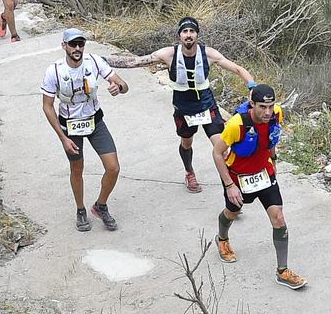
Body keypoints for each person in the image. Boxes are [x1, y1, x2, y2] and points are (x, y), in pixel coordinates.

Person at [106, 17, 254, 193]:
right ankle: (189, 172)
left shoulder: (208, 54)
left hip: (207, 107)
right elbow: (135, 62)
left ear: (197, 35)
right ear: (179, 35)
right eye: (185, 31)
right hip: (184, 110)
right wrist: (97, 60)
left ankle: (232, 188)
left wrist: (252, 86)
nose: (189, 35)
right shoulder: (169, 54)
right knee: (186, 143)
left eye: (192, 31)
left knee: (221, 148)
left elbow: (237, 68)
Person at [215, 84, 305, 289]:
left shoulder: (276, 114)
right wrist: (230, 185)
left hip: (265, 173)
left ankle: (282, 271)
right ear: (252, 104)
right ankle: (222, 238)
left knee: (279, 217)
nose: (267, 112)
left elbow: (272, 136)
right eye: (262, 107)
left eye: (270, 106)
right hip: (238, 178)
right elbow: (217, 153)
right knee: (232, 212)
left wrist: (273, 158)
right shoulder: (236, 124)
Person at [42, 29, 128, 232]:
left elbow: (123, 84)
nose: (77, 48)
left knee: (113, 167)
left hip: (95, 122)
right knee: (77, 169)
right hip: (70, 125)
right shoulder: (54, 71)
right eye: (73, 44)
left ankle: (101, 205)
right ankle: (80, 210)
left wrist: (119, 88)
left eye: (81, 44)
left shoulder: (94, 61)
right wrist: (62, 138)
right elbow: (47, 106)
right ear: (64, 46)